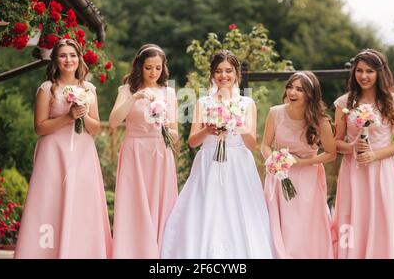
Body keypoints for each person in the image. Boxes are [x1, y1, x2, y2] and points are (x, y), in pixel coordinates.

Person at [161, 50, 274, 259]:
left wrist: (236, 123)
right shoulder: (202, 103)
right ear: (212, 74)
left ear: (236, 73)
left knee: (239, 211)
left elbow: (252, 143)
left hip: (238, 162)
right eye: (219, 71)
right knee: (208, 210)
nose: (224, 76)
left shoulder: (247, 104)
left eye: (229, 71)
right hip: (209, 162)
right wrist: (208, 129)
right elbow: (193, 141)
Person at [15, 39, 111, 258]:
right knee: (49, 202)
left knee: (82, 204)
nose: (69, 60)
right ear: (55, 61)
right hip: (53, 153)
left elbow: (95, 127)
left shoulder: (89, 89)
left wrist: (82, 114)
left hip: (82, 152)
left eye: (73, 55)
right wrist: (68, 116)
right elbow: (40, 127)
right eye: (63, 55)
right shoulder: (47, 88)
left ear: (79, 59)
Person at [332, 49, 394, 259]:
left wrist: (375, 155)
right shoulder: (344, 103)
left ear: (380, 72)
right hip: (353, 171)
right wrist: (352, 148)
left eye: (369, 71)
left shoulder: (393, 101)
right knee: (354, 219)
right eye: (359, 71)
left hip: (382, 170)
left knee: (383, 218)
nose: (363, 76)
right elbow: (335, 142)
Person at [109, 44, 178, 258]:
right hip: (135, 151)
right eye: (149, 67)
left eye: (158, 68)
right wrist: (135, 97)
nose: (153, 72)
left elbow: (175, 134)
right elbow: (113, 122)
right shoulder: (127, 89)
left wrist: (166, 126)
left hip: (159, 153)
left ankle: (158, 252)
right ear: (140, 66)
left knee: (160, 202)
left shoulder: (169, 92)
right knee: (134, 202)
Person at [261, 71, 336, 259]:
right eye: (290, 87)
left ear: (310, 94)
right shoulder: (275, 113)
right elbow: (265, 145)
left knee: (302, 227)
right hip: (280, 177)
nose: (292, 92)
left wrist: (303, 162)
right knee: (283, 225)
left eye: (299, 89)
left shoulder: (321, 121)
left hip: (307, 179)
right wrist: (274, 161)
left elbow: (331, 154)